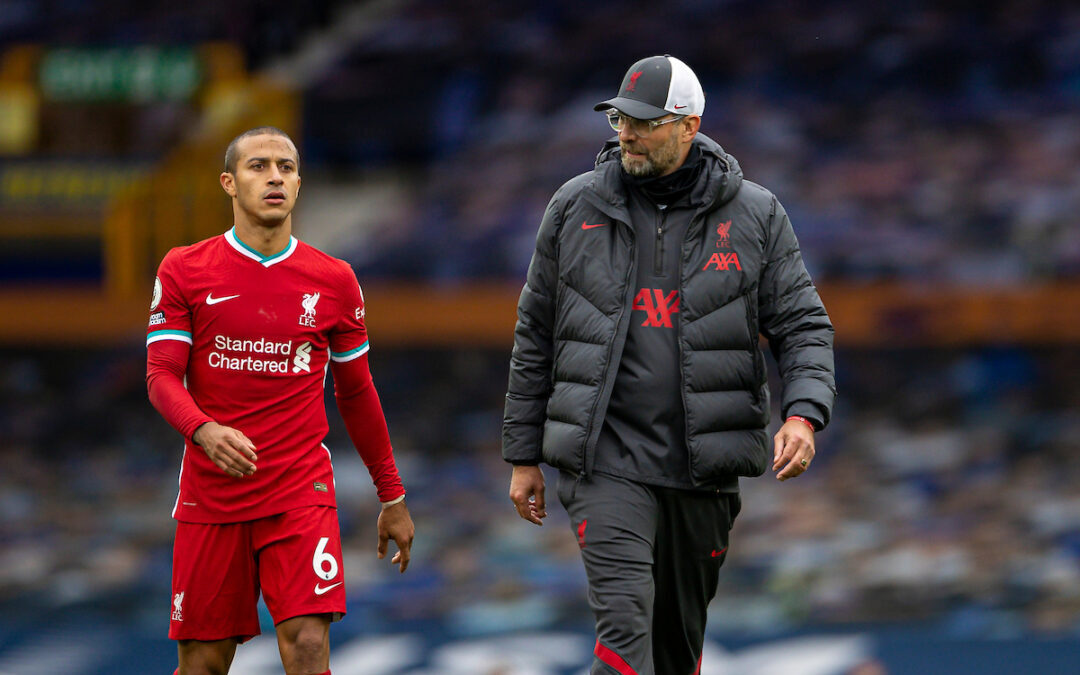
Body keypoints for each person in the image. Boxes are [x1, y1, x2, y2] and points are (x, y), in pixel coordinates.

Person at [503, 55, 835, 674]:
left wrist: (803, 416)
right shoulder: (574, 207)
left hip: (702, 468)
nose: (625, 132)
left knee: (674, 654)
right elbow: (536, 335)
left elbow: (802, 325)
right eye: (619, 118)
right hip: (602, 458)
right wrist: (523, 455)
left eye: (644, 121)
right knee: (625, 628)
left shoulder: (757, 215)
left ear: (688, 124)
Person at [146, 127, 415, 675]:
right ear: (229, 182)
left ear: (299, 183)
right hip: (211, 494)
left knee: (308, 644)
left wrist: (392, 494)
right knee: (203, 661)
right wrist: (203, 429)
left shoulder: (334, 279)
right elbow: (161, 376)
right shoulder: (185, 268)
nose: (275, 177)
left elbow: (357, 391)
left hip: (299, 488)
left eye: (287, 168)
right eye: (259, 166)